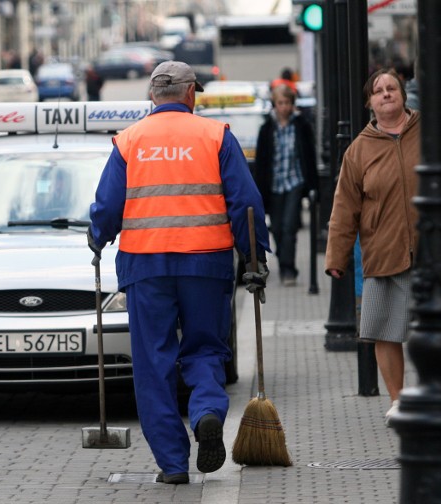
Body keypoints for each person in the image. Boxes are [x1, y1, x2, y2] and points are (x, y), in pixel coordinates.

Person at [88, 61, 270, 484]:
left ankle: (172, 464)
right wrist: (253, 259)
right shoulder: (215, 135)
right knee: (205, 348)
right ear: (191, 94)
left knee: (154, 362)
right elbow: (246, 203)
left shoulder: (129, 141)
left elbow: (108, 207)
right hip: (205, 262)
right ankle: (206, 411)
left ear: (152, 96)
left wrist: (97, 236)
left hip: (145, 265)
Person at [325, 68, 420, 427]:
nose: (385, 94)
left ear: (403, 94)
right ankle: (398, 400)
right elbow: (344, 207)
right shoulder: (359, 150)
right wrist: (337, 256)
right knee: (385, 330)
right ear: (370, 102)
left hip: (429, 252)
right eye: (378, 91)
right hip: (383, 252)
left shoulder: (427, 132)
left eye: (391, 87)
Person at [254, 83, 318, 286]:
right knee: (278, 228)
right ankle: (283, 261)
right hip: (274, 185)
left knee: (290, 226)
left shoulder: (301, 125)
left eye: (287, 103)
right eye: (280, 103)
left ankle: (288, 269)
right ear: (274, 104)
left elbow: (309, 155)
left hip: (294, 182)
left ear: (292, 104)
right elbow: (261, 161)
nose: (284, 107)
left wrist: (312, 185)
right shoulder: (266, 129)